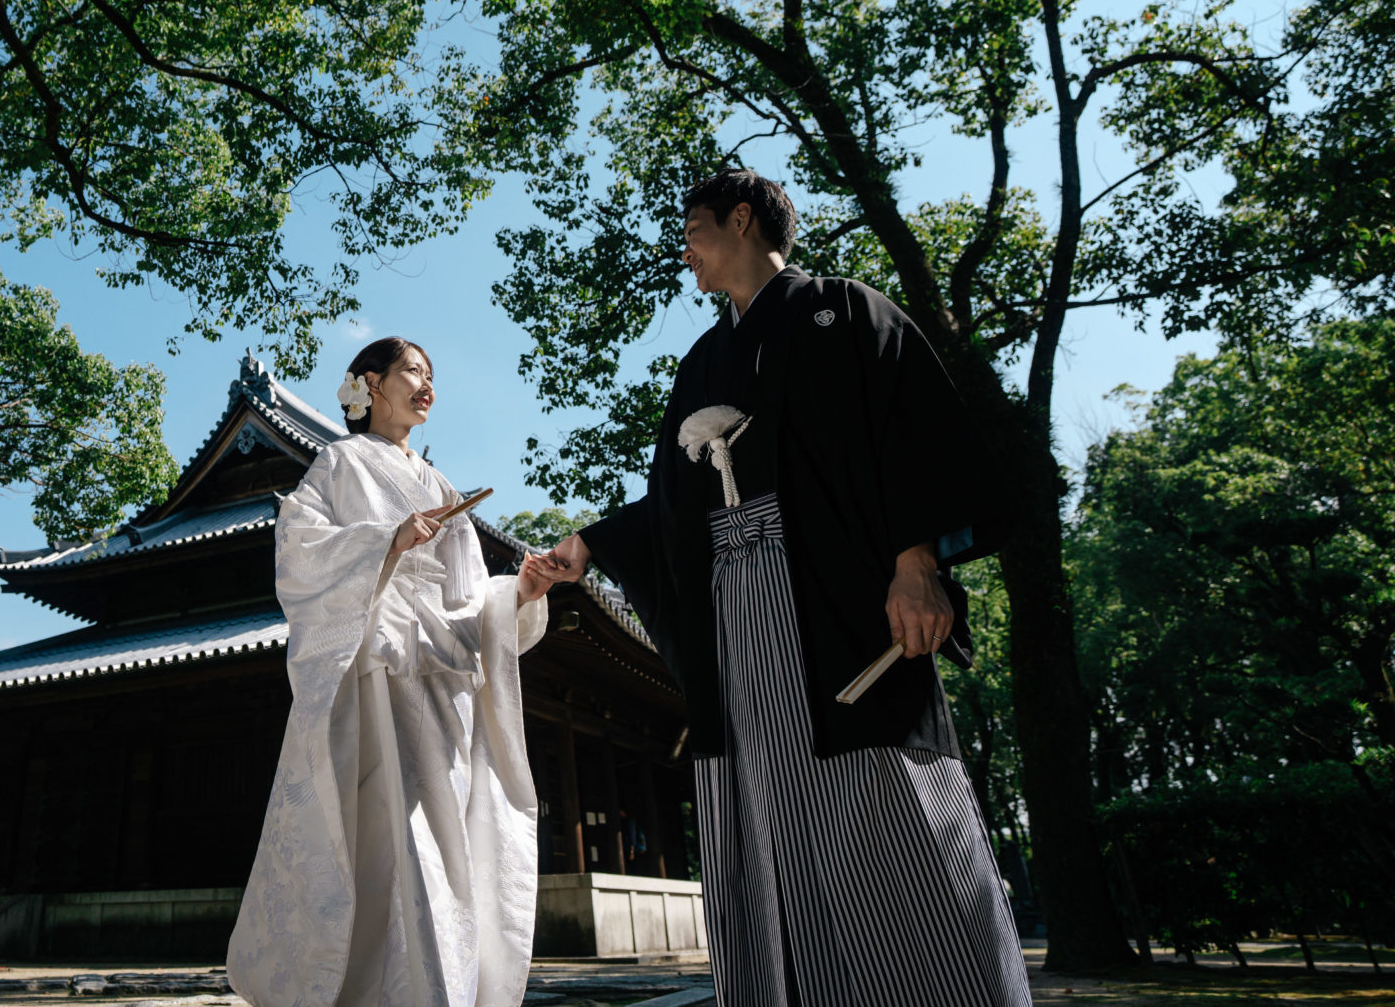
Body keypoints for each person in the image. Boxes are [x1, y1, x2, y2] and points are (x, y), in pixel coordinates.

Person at [546, 169, 1032, 1007]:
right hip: (734, 615)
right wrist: (590, 542)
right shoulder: (702, 364)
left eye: (693, 231)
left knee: (882, 795)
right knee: (758, 803)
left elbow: (913, 432)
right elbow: (673, 506)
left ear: (741, 219)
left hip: (840, 603)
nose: (686, 252)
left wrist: (916, 561)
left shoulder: (844, 310)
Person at [228, 337, 582, 1007]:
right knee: (397, 838)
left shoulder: (441, 486)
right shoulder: (339, 463)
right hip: (383, 664)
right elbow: (297, 550)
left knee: (446, 842)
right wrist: (385, 539)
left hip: (445, 678)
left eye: (431, 375)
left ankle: (440, 984)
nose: (427, 386)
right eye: (413, 371)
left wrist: (520, 591)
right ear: (371, 383)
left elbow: (468, 597)